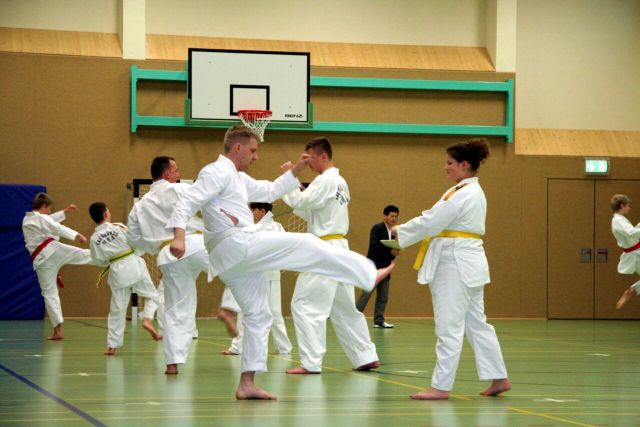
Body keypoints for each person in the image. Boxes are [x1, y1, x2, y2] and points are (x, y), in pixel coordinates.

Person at [167, 126, 394, 400]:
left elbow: (270, 189)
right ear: (238, 148)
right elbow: (187, 201)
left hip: (232, 258)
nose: (256, 157)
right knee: (306, 243)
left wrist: (296, 169)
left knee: (259, 314)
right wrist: (178, 236)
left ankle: (247, 383)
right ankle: (366, 274)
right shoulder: (216, 171)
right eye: (253, 151)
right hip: (235, 243)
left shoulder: (237, 177)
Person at [392, 138, 510, 400]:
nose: (445, 167)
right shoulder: (468, 191)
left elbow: (432, 221)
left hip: (455, 264)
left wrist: (400, 231)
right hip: (470, 263)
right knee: (476, 324)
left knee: (449, 326)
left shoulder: (463, 193)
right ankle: (499, 377)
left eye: (450, 163)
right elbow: (435, 220)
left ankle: (441, 386)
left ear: (464, 165)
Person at [282, 137, 380, 374]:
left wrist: (288, 178)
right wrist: (298, 187)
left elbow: (300, 201)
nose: (307, 163)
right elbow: (313, 211)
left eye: (310, 158)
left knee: (304, 304)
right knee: (344, 307)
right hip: (338, 246)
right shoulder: (340, 181)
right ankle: (366, 356)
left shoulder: (325, 180)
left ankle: (311, 362)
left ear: (323, 156)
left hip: (324, 249)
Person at [127, 156, 209, 375]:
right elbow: (207, 202)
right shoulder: (180, 189)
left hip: (168, 255)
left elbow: (133, 239)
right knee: (242, 269)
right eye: (177, 170)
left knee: (176, 309)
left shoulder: (139, 206)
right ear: (167, 174)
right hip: (196, 243)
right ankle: (231, 311)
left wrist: (157, 246)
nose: (179, 174)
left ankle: (172, 363)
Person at [88, 202, 163, 355]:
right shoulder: (118, 227)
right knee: (153, 296)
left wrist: (111, 260)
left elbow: (98, 261)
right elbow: (135, 242)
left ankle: (112, 346)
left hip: (117, 272)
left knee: (117, 309)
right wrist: (141, 251)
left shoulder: (94, 238)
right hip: (134, 265)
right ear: (106, 214)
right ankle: (147, 318)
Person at [220, 202, 293, 356]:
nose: (252, 212)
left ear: (262, 211)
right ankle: (237, 347)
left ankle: (284, 348)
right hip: (252, 275)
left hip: (270, 275)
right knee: (245, 311)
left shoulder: (276, 227)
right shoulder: (252, 227)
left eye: (254, 210)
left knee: (275, 313)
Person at [22, 193, 93, 340]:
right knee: (83, 255)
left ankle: (57, 330)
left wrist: (64, 212)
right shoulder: (40, 218)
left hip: (41, 261)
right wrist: (77, 235)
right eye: (49, 208)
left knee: (49, 294)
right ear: (43, 206)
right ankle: (112, 258)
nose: (49, 211)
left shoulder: (29, 218)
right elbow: (54, 226)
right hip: (52, 251)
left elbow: (48, 220)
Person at [357, 205, 400, 329]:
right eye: (391, 216)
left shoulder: (392, 233)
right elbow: (375, 245)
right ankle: (354, 317)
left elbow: (389, 253)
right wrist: (390, 251)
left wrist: (394, 253)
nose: (394, 219)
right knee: (366, 294)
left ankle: (379, 320)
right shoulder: (377, 228)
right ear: (385, 216)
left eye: (396, 216)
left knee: (383, 296)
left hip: (385, 268)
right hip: (374, 268)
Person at [610, 194, 640, 309]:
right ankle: (633, 290)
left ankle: (634, 289)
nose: (629, 208)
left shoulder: (620, 220)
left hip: (636, 251)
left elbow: (633, 232)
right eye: (627, 205)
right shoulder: (617, 221)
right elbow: (632, 233)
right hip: (635, 255)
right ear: (622, 206)